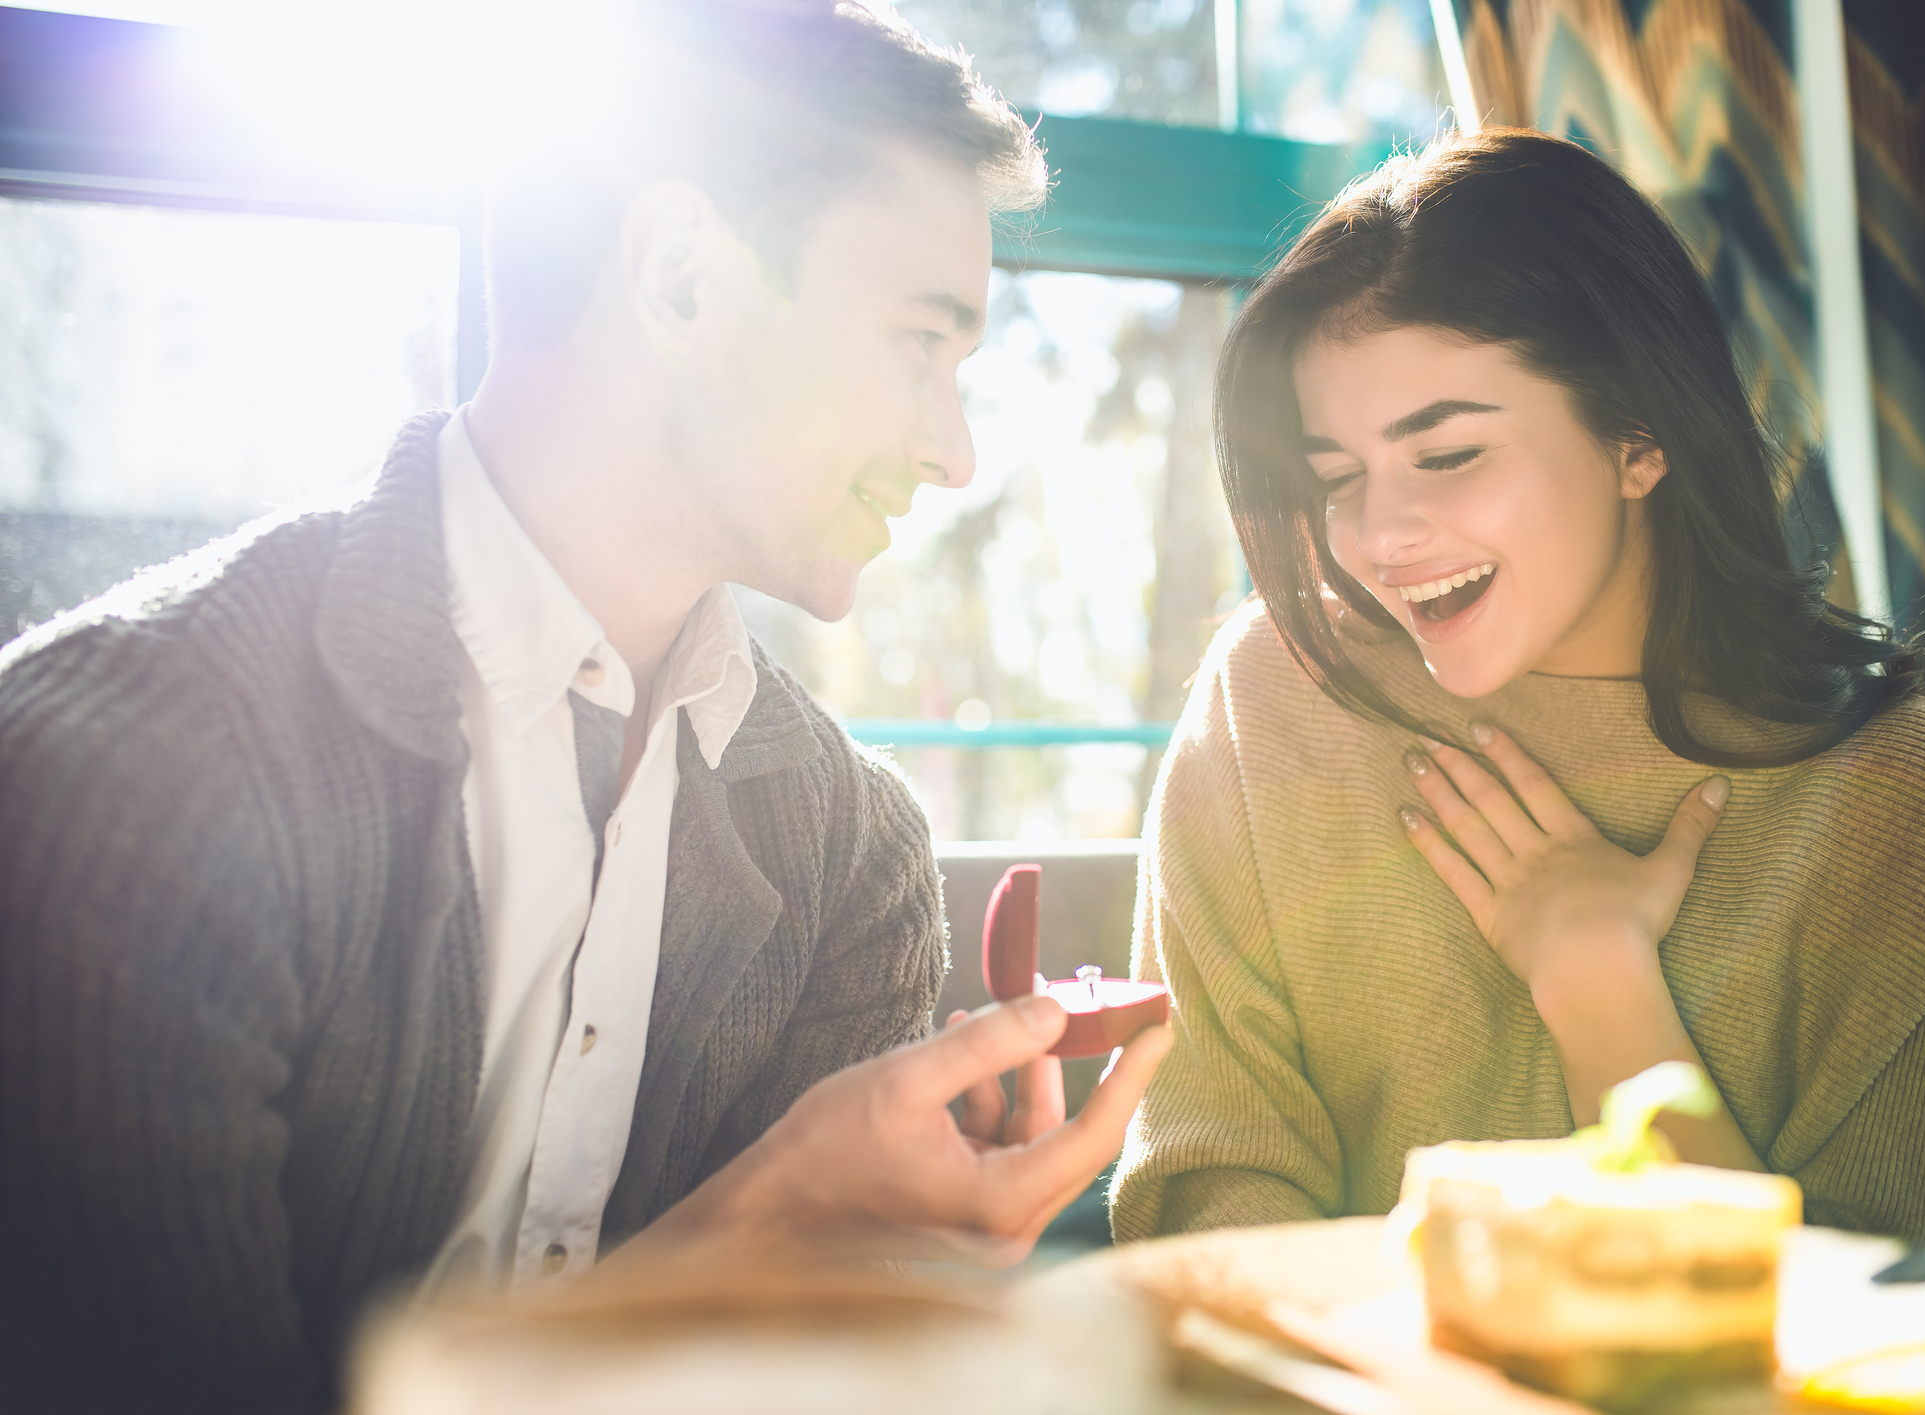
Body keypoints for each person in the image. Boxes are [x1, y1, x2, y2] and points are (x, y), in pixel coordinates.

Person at [0, 5, 1168, 1412]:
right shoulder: (121, 778)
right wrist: (760, 1219)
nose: (954, 446)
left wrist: (884, 1286)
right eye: (921, 340)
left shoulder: (852, 853)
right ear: (680, 276)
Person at [1110, 128, 1925, 1247]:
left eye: (1447, 454)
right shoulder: (1271, 701)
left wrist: (1600, 989)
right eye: (1336, 479)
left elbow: (1868, 1328)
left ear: (1636, 436)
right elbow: (1202, 1197)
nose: (1379, 535)